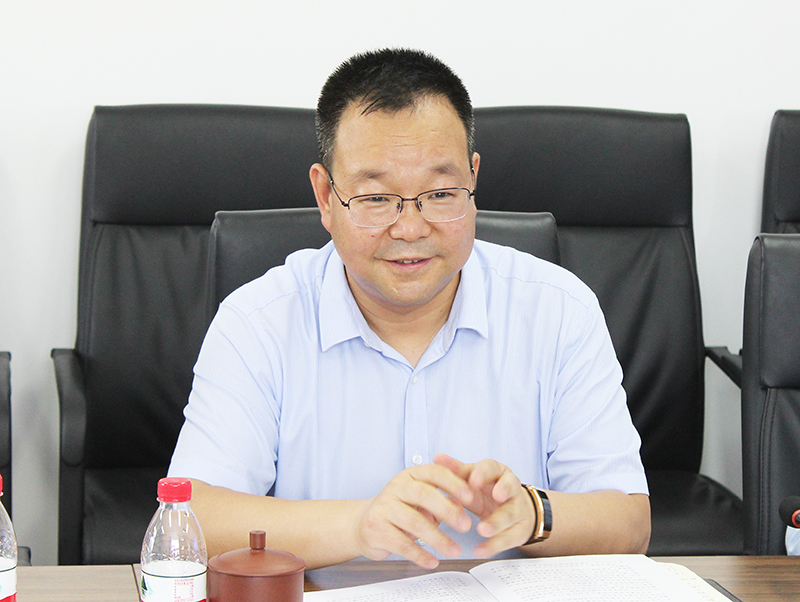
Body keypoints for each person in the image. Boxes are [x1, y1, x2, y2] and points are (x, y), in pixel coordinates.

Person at [168, 48, 650, 570]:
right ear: (326, 196)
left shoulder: (558, 310)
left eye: (440, 193)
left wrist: (533, 513)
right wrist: (359, 525)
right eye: (377, 199)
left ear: (473, 179)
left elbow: (629, 524)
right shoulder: (258, 323)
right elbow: (192, 521)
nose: (411, 228)